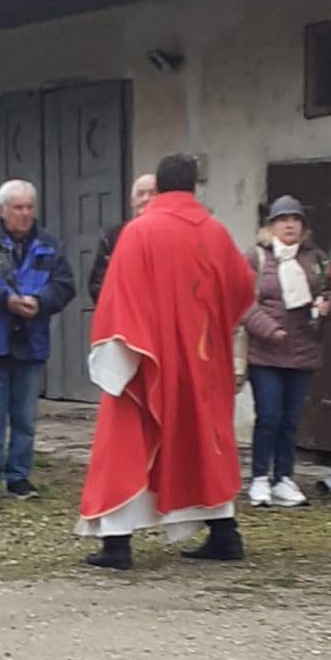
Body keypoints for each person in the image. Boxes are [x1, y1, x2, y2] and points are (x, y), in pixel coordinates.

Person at [77, 155, 256, 570]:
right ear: (194, 186)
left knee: (126, 443)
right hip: (202, 359)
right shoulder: (215, 231)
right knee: (205, 443)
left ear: (159, 186)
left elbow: (118, 297)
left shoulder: (140, 231)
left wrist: (118, 357)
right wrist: (213, 328)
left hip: (148, 359)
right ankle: (225, 534)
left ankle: (117, 544)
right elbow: (242, 288)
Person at [0, 179, 75, 501]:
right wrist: (5, 301)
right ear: (2, 210)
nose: (24, 214)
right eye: (17, 207)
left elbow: (65, 285)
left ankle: (19, 477)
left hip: (31, 340)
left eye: (29, 207)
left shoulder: (49, 245)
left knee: (25, 417)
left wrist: (41, 301)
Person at [241, 195, 331, 508]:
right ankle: (260, 477)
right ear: (271, 226)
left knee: (290, 419)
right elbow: (241, 301)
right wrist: (269, 330)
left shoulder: (317, 259)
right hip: (266, 353)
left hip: (303, 351)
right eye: (283, 220)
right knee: (268, 416)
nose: (289, 225)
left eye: (295, 220)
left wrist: (329, 306)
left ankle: (283, 478)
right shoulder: (256, 258)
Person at [88, 172, 157, 304]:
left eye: (152, 193)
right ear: (132, 201)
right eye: (140, 193)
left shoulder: (169, 233)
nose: (146, 198)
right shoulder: (113, 236)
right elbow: (97, 284)